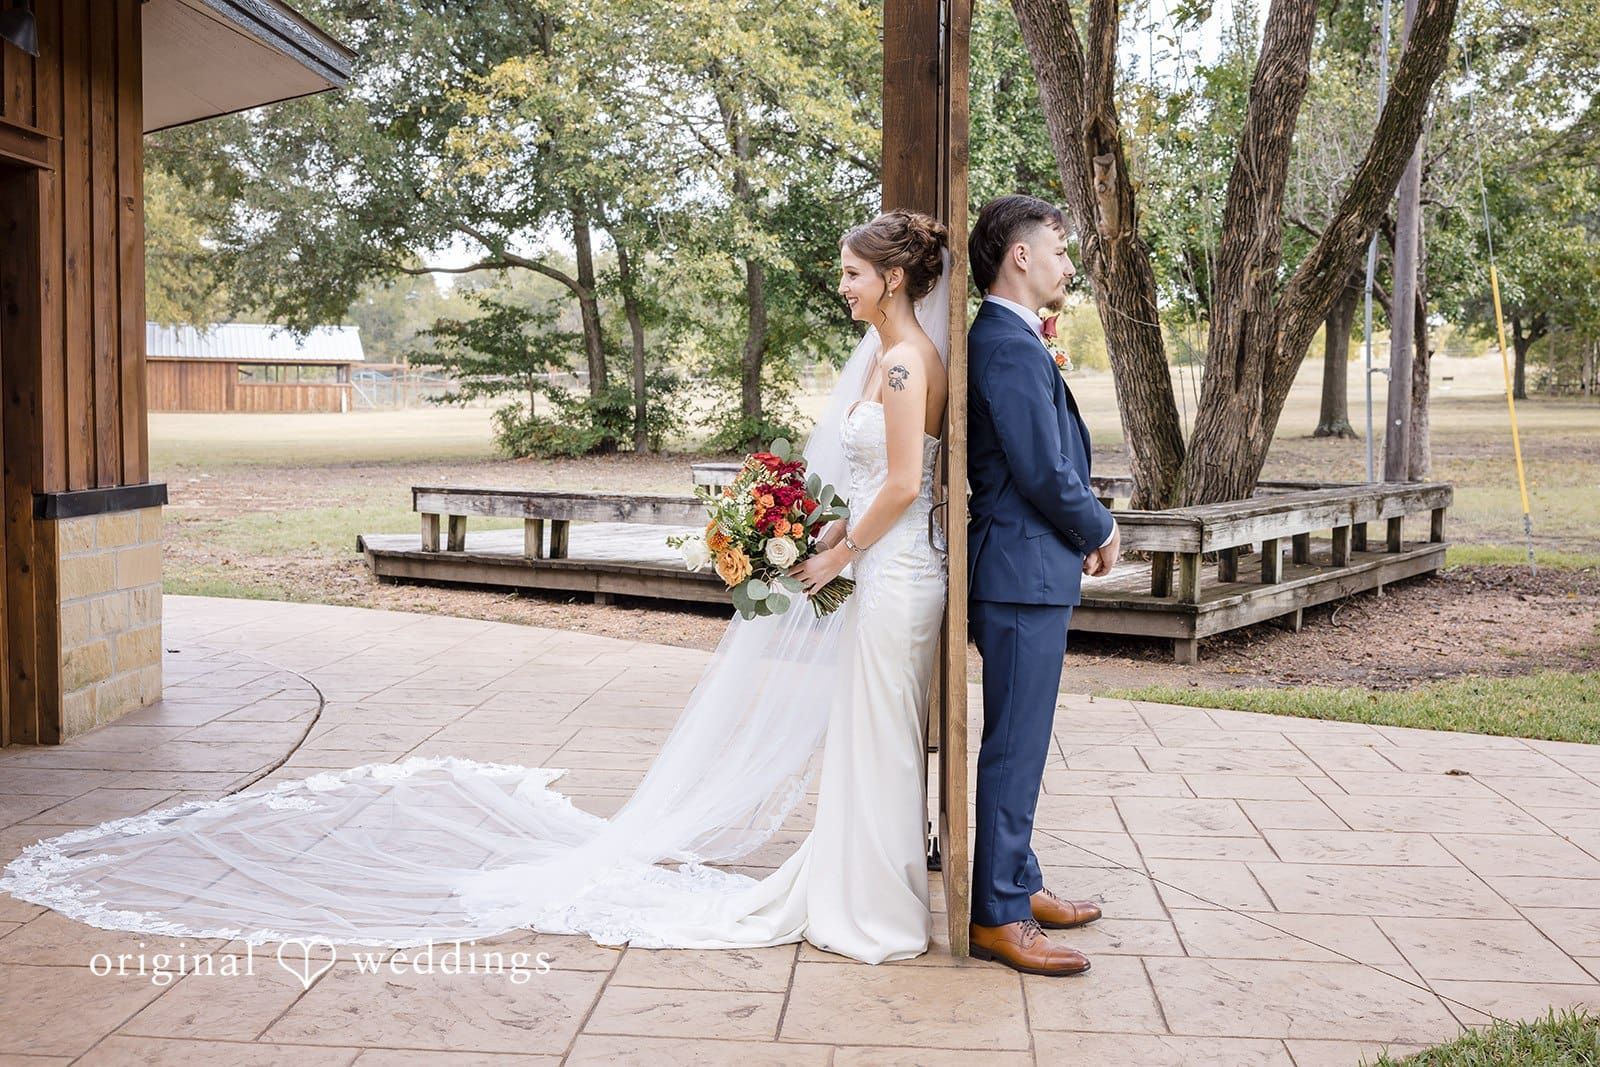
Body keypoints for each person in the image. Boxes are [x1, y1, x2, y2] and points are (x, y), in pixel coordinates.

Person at [0, 211, 953, 966]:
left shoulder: (908, 361)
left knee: (874, 737)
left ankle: (871, 903)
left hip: (894, 573)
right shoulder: (884, 358)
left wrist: (831, 558)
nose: (843, 287)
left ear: (894, 278)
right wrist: (819, 532)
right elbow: (879, 486)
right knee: (863, 738)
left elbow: (905, 484)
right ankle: (862, 895)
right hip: (878, 564)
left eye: (853, 273)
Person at [964, 194, 1121, 977]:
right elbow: (1042, 469)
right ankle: (997, 914)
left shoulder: (1013, 339)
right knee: (1013, 745)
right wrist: (1097, 525)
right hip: (1019, 570)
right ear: (1019, 256)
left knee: (1024, 742)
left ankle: (1019, 883)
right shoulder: (1004, 343)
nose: (1068, 265)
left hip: (1029, 568)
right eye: (1059, 250)